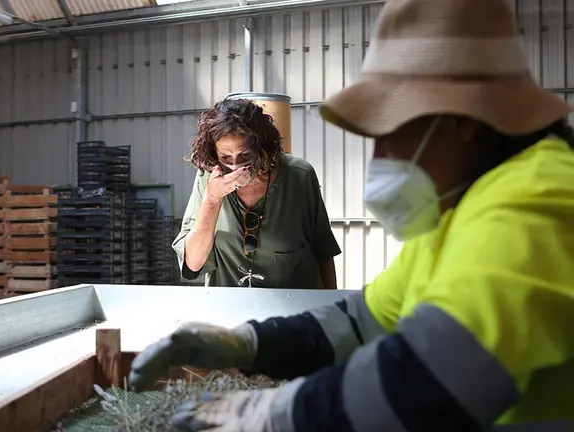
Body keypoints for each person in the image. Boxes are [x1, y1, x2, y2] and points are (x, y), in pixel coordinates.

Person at [124, 0, 574, 430]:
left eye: (390, 131)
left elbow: (428, 382)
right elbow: (361, 322)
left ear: (463, 120)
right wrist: (251, 343)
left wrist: (272, 415)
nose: (379, 156)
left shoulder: (537, 200)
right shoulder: (460, 212)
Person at [173, 97, 341, 289]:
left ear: (262, 148)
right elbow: (193, 265)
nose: (235, 165)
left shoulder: (299, 176)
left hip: (295, 310)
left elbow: (324, 253)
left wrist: (333, 308)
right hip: (231, 311)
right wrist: (213, 199)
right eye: (225, 157)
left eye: (245, 155)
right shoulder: (208, 177)